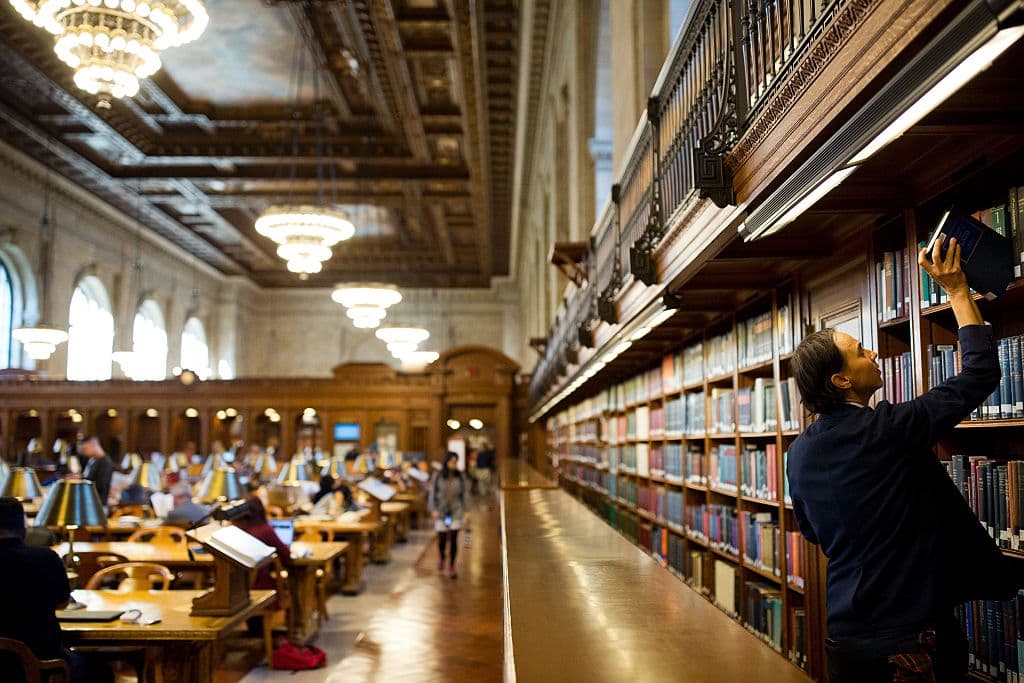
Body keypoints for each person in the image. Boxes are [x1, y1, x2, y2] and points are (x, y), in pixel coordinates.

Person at [787, 238, 1020, 683]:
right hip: (909, 642)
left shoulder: (797, 454)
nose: (873, 353)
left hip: (846, 639)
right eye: (860, 352)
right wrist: (955, 293)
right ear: (840, 380)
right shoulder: (887, 430)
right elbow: (980, 374)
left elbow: (814, 532)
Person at [0, 498, 111, 683]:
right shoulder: (46, 559)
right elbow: (63, 603)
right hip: (45, 667)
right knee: (100, 669)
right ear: (23, 528)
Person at [428, 452, 470, 579]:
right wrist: (433, 509)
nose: (454, 464)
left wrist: (467, 511)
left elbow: (465, 494)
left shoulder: (461, 476)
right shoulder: (438, 476)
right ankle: (441, 556)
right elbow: (432, 494)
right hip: (441, 510)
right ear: (446, 462)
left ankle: (452, 565)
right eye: (452, 462)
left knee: (453, 538)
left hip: (456, 510)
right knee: (441, 539)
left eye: (455, 462)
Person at [79, 436, 113, 505]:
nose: (83, 451)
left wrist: (80, 480)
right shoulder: (94, 460)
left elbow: (101, 485)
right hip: (90, 500)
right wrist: (80, 477)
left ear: (93, 445)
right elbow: (90, 478)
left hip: (98, 503)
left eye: (85, 448)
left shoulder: (105, 462)